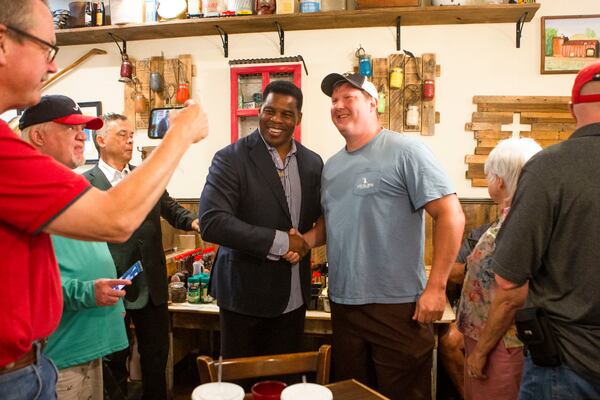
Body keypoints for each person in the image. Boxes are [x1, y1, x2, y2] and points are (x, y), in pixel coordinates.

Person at [0, 1, 208, 397]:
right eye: (47, 49)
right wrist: (179, 133)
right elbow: (116, 218)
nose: (50, 67)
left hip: (35, 360)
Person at [312, 72, 464, 400]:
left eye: (347, 98)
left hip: (397, 308)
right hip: (343, 305)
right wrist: (303, 242)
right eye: (334, 100)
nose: (338, 105)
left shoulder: (406, 150)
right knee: (352, 395)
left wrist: (436, 288)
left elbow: (451, 215)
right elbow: (332, 221)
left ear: (372, 102)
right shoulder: (332, 166)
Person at [466, 62, 600, 399]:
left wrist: (479, 352)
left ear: (572, 110)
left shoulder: (549, 168)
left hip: (568, 361)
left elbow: (508, 284)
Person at [199, 80, 323, 359]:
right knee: (240, 382)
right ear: (260, 111)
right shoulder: (230, 158)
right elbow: (211, 221)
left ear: (298, 119)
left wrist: (304, 242)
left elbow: (323, 217)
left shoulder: (313, 163)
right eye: (270, 111)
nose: (276, 120)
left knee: (285, 380)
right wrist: (282, 242)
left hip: (294, 297)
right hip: (244, 297)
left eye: (286, 114)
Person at [19, 95, 132, 400]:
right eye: (71, 129)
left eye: (83, 128)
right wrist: (87, 293)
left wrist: (115, 303)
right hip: (57, 355)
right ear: (38, 136)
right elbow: (28, 283)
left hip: (89, 343)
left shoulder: (73, 187)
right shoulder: (26, 192)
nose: (83, 135)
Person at [84, 113, 199, 400]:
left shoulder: (143, 176)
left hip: (152, 284)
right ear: (100, 140)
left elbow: (171, 208)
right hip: (112, 286)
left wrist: (197, 222)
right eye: (122, 134)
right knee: (113, 361)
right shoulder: (86, 184)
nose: (130, 139)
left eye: (131, 134)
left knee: (156, 358)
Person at [456, 138, 541, 400]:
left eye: (489, 176)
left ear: (500, 181)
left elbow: (510, 298)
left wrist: (481, 352)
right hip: (491, 342)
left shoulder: (514, 226)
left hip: (502, 346)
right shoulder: (514, 219)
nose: (488, 182)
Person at [438, 222, 491, 400]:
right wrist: (474, 267)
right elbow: (452, 270)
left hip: (513, 316)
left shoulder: (529, 231)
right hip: (477, 313)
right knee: (450, 339)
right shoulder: (482, 233)